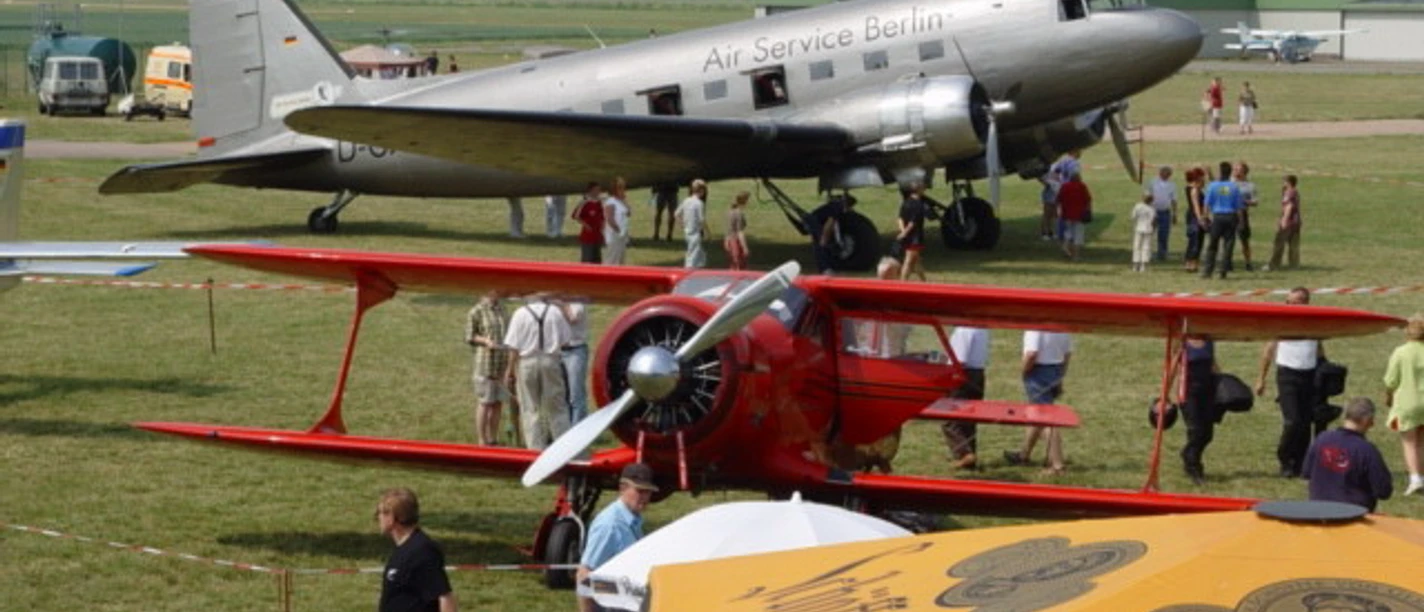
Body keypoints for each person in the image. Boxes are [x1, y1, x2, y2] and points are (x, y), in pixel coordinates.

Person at [1256, 287, 1327, 478]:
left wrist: (1325, 372)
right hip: (1287, 376)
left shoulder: (1314, 324)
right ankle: (1284, 458)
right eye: (1289, 302)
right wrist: (1261, 380)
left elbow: (1320, 350)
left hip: (1309, 376)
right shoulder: (1281, 322)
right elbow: (1268, 352)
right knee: (1293, 421)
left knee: (1305, 422)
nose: (1291, 305)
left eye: (1296, 302)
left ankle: (1301, 462)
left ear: (1306, 302)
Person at [577, 463, 658, 612]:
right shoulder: (610, 525)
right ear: (622, 488)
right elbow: (584, 576)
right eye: (640, 491)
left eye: (648, 492)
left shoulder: (633, 519)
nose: (645, 497)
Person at [503, 294, 572, 450]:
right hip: (550, 360)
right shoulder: (554, 311)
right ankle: (563, 447)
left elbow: (513, 346)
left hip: (527, 362)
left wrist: (510, 369)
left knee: (529, 407)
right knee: (557, 406)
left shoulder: (520, 314)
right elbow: (566, 340)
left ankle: (535, 448)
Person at [1303, 398, 1393, 511]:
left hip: (1318, 512)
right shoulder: (1367, 451)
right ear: (1367, 420)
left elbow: (1307, 472)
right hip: (1353, 515)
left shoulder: (1321, 439)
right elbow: (1383, 491)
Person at [376, 488, 458, 612]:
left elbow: (445, 597)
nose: (378, 518)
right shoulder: (404, 548)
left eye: (380, 513)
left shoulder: (422, 551)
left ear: (392, 517)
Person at [1005, 330, 1071, 476]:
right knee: (1036, 416)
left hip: (1038, 372)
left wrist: (1023, 372)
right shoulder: (1061, 325)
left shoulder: (1034, 327)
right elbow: (1067, 354)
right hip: (1056, 369)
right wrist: (1060, 376)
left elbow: (1031, 354)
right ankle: (1024, 455)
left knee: (1045, 420)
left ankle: (1057, 465)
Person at [1383, 313, 1424, 496]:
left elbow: (1391, 380)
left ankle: (1415, 478)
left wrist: (1388, 396)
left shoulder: (1401, 352)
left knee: (1409, 442)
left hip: (1408, 402)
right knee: (1421, 442)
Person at [943, 326, 989, 470]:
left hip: (961, 374)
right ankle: (970, 457)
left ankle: (964, 453)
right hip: (978, 374)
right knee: (969, 418)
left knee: (949, 418)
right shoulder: (982, 329)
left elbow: (960, 360)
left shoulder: (963, 330)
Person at [466, 293, 509, 446]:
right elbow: (470, 336)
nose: (495, 294)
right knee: (485, 402)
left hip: (502, 362)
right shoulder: (476, 311)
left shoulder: (502, 309)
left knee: (498, 402)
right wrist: (485, 340)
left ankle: (493, 438)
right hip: (486, 362)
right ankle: (482, 439)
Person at [1179, 335, 1220, 485]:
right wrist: (1165, 396)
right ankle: (1194, 467)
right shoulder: (1181, 342)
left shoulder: (1209, 340)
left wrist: (1223, 384)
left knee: (1208, 434)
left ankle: (1187, 453)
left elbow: (1213, 364)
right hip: (1189, 393)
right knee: (1196, 430)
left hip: (1207, 391)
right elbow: (1172, 365)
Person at [1200, 161, 1244, 280]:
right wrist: (1241, 221)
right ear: (1230, 173)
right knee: (1228, 244)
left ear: (1220, 172)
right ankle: (1223, 270)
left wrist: (1204, 217)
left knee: (1212, 244)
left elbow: (1206, 204)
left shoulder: (1213, 186)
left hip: (1218, 217)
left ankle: (1207, 271)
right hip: (1231, 217)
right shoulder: (1234, 187)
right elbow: (1239, 206)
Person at [559, 300, 591, 425]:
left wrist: (561, 303)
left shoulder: (578, 303)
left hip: (575, 350)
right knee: (563, 394)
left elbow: (572, 318)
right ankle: (565, 428)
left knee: (576, 395)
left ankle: (577, 427)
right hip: (559, 350)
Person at [808, 194, 854, 274]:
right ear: (847, 204)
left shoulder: (836, 205)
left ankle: (823, 268)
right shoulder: (838, 208)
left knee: (819, 246)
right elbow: (829, 224)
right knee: (822, 245)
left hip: (813, 220)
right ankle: (825, 269)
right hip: (814, 221)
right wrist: (824, 238)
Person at [1266, 174, 1302, 271]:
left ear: (1289, 183)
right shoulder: (1295, 192)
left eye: (1284, 182)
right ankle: (1294, 265)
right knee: (1294, 245)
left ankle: (1274, 264)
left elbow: (1289, 206)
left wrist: (1284, 220)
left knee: (1279, 243)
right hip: (1296, 221)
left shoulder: (1289, 193)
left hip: (1289, 221)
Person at [1056, 169, 1091, 261]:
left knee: (1069, 233)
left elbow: (1058, 199)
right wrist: (1089, 210)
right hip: (1080, 215)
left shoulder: (1064, 186)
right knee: (1078, 236)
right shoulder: (1082, 186)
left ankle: (1065, 246)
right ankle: (1075, 256)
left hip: (1067, 214)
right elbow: (1088, 199)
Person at [896, 182, 929, 281]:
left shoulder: (906, 202)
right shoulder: (919, 204)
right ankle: (902, 283)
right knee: (909, 260)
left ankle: (924, 282)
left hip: (908, 235)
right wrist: (904, 233)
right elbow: (912, 223)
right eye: (923, 187)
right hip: (915, 236)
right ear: (919, 189)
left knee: (917, 260)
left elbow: (900, 218)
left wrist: (902, 231)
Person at [674, 179, 709, 268]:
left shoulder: (686, 200)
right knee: (692, 255)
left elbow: (676, 214)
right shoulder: (699, 203)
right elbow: (702, 220)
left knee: (701, 255)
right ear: (701, 191)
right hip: (695, 232)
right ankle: (688, 272)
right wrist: (707, 232)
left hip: (687, 231)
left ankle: (698, 270)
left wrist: (682, 225)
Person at [1233, 161, 1258, 272]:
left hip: (1242, 215)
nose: (1236, 172)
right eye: (1235, 169)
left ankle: (1248, 262)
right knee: (1228, 239)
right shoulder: (1229, 183)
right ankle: (1227, 262)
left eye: (1238, 169)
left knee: (1244, 240)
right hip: (1229, 214)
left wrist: (1245, 202)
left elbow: (1255, 202)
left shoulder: (1250, 186)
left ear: (1244, 172)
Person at [1149, 165, 1178, 262]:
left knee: (1164, 234)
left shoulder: (1172, 185)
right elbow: (1147, 196)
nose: (1166, 175)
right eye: (1165, 172)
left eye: (1168, 173)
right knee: (1150, 232)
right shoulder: (1153, 183)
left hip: (1165, 212)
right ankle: (1148, 252)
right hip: (1153, 211)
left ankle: (1162, 253)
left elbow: (1174, 200)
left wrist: (1174, 213)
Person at [1183, 166, 1208, 273]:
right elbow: (1196, 205)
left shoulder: (1190, 187)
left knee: (1193, 240)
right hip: (1195, 216)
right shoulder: (1195, 190)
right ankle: (1192, 263)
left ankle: (1190, 262)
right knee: (1196, 240)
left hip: (1192, 215)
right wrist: (1200, 219)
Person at [573, 182, 605, 264]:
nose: (599, 192)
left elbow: (602, 216)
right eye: (597, 190)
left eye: (599, 190)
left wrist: (602, 227)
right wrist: (586, 226)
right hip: (588, 236)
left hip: (597, 234)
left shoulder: (599, 202)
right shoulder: (584, 202)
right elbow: (576, 216)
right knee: (587, 259)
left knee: (597, 259)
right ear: (591, 191)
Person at [603, 177, 631, 265]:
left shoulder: (620, 201)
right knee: (612, 257)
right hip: (615, 233)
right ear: (615, 190)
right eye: (621, 188)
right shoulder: (610, 202)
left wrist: (624, 200)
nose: (623, 190)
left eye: (623, 188)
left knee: (621, 258)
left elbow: (629, 212)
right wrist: (618, 231)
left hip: (623, 232)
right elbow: (610, 219)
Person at [1130, 191, 1156, 273]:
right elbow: (1153, 220)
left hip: (1139, 228)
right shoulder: (1152, 209)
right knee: (1146, 247)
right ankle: (1143, 265)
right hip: (1148, 229)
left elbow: (1133, 216)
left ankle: (1135, 264)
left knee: (1137, 246)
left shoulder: (1138, 206)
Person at [724, 190, 750, 270]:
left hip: (730, 240)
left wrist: (726, 240)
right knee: (739, 265)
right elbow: (740, 232)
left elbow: (728, 229)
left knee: (733, 264)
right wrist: (745, 247)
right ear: (744, 201)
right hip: (736, 241)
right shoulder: (739, 213)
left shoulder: (730, 212)